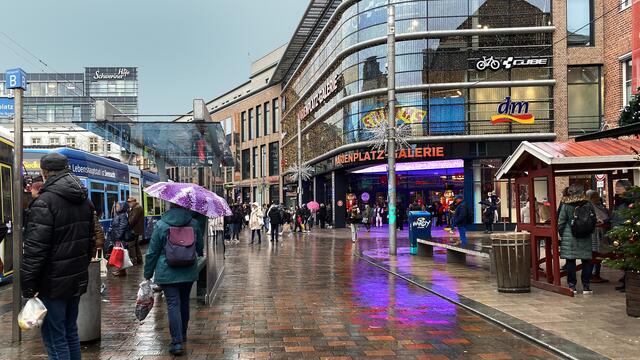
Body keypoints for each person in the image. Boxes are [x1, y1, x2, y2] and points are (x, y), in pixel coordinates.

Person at [22, 152, 95, 360]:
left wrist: (29, 285)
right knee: (70, 331)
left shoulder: (45, 202)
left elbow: (35, 249)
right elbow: (90, 241)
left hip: (52, 283)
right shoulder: (84, 200)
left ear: (45, 172)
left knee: (55, 337)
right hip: (76, 279)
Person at [144, 204, 204, 356]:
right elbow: (199, 248)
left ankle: (176, 342)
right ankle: (182, 334)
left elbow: (152, 252)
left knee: (173, 304)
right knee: (184, 302)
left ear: (170, 207)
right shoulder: (194, 223)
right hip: (188, 271)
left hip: (167, 272)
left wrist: (148, 273)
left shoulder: (161, 225)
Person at [558, 184, 596, 295]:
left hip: (569, 236)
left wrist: (562, 234)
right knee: (586, 261)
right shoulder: (588, 203)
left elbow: (561, 222)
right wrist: (589, 230)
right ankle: (586, 286)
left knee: (570, 261)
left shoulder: (566, 204)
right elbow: (593, 219)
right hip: (585, 234)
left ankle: (572, 286)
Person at [612, 179, 633, 292]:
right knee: (623, 259)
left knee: (628, 259)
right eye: (616, 186)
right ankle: (625, 282)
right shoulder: (618, 200)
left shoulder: (629, 200)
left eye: (619, 187)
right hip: (618, 232)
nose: (616, 188)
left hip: (626, 232)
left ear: (626, 188)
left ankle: (628, 284)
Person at [585, 190, 610, 283]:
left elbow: (607, 216)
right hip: (593, 235)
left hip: (602, 234)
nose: (597, 198)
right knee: (593, 254)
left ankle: (596, 274)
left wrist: (605, 221)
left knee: (600, 254)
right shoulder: (588, 207)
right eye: (594, 196)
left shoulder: (600, 206)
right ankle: (591, 274)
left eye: (597, 196)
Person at [107, 201, 131, 276]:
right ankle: (120, 270)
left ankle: (122, 271)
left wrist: (118, 236)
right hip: (117, 238)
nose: (116, 208)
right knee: (119, 254)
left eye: (117, 206)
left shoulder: (123, 216)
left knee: (121, 254)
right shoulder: (118, 215)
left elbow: (122, 227)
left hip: (120, 239)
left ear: (122, 207)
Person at [127, 197, 144, 265]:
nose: (129, 204)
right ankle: (139, 260)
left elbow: (132, 220)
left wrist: (127, 225)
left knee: (131, 245)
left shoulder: (137, 208)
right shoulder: (136, 208)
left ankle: (134, 261)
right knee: (136, 245)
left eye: (130, 202)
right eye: (128, 202)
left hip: (134, 230)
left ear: (134, 202)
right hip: (136, 230)